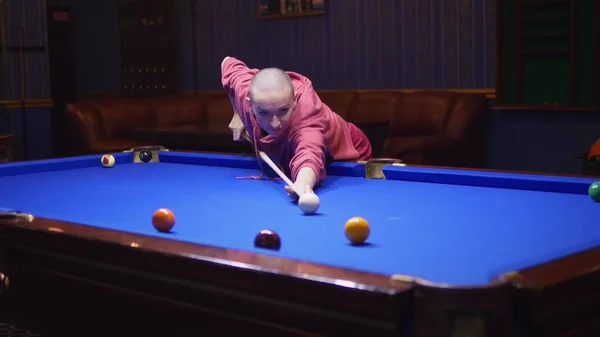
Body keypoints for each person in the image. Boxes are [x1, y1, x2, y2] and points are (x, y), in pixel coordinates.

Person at [221, 56, 372, 197]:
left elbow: (309, 153)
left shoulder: (308, 115)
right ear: (249, 103)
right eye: (263, 112)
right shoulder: (243, 88)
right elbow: (227, 63)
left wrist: (303, 184)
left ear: (294, 101)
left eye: (283, 110)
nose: (275, 123)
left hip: (349, 153)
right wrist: (237, 113)